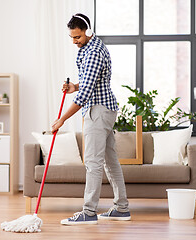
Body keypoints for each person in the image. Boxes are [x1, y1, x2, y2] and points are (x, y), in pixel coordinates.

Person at [51, 13, 130, 225]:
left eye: (77, 37)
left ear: (87, 31)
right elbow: (90, 83)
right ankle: (122, 208)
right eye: (71, 37)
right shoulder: (91, 47)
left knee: (93, 162)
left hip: (98, 110)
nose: (74, 41)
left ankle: (89, 212)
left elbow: (85, 95)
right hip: (103, 109)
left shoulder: (93, 52)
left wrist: (62, 120)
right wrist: (73, 87)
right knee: (110, 161)